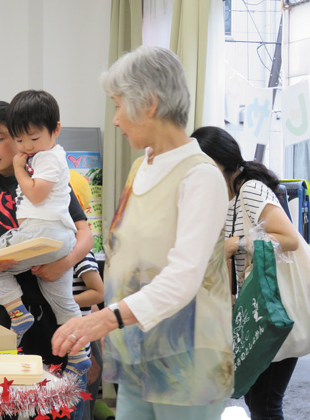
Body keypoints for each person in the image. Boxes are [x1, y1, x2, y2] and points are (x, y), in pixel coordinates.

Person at [52, 46, 234, 420]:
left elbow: (184, 276)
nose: (116, 119)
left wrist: (104, 319)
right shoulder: (140, 168)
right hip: (136, 352)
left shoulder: (200, 176)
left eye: (119, 105)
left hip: (188, 360)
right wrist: (103, 321)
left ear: (150, 104)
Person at [0, 100, 94, 375]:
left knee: (53, 397)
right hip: (4, 309)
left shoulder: (46, 178)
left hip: (50, 305)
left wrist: (64, 263)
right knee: (4, 395)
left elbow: (86, 235)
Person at [193, 126, 300, 420]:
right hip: (256, 309)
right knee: (257, 402)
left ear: (217, 162)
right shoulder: (229, 199)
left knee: (266, 404)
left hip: (274, 307)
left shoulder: (250, 189)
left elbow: (289, 239)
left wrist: (236, 243)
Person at [68, 170, 104, 420]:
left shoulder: (78, 248)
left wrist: (63, 303)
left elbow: (97, 293)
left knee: (73, 407)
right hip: (65, 339)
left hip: (75, 341)